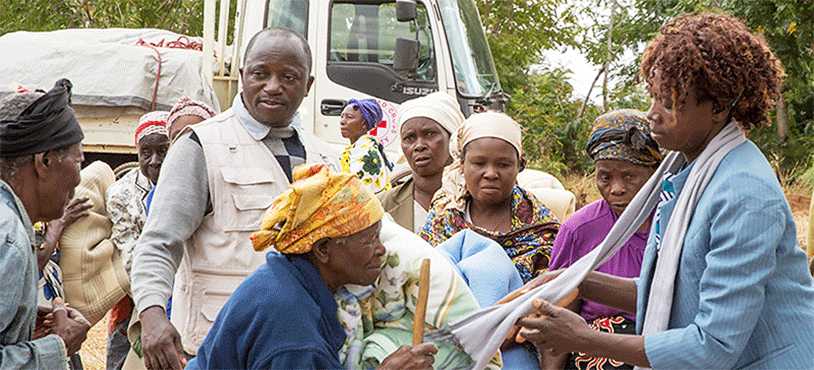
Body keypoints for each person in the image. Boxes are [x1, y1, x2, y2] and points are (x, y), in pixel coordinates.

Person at [516, 13, 814, 369]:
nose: (652, 115)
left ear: (719, 107)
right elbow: (670, 294)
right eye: (653, 99)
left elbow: (713, 345)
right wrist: (570, 280)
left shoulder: (743, 196)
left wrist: (584, 339)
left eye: (670, 103)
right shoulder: (684, 172)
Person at [130, 27, 340, 369]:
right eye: (260, 74)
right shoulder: (201, 146)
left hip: (300, 350)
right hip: (219, 348)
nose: (273, 86)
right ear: (242, 76)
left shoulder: (325, 157)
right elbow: (158, 242)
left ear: (309, 85)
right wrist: (152, 315)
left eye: (288, 76)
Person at [185, 163, 439, 369]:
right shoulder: (293, 332)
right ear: (323, 249)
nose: (381, 250)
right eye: (369, 240)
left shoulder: (284, 277)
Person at [546, 109, 662, 370]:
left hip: (660, 350)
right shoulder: (579, 230)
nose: (616, 188)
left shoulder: (676, 223)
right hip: (592, 354)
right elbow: (561, 310)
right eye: (605, 177)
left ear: (655, 173)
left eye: (629, 176)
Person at [0, 78, 92, 368]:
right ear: (45, 161)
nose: (78, 179)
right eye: (79, 161)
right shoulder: (9, 238)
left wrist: (22, 325)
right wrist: (57, 347)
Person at [419, 111, 559, 284]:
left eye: (503, 165)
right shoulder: (443, 219)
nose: (491, 174)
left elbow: (553, 294)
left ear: (520, 166)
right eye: (479, 163)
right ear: (462, 164)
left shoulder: (541, 229)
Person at [106, 111, 170, 370]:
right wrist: (157, 305)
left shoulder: (191, 183)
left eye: (163, 151)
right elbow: (131, 257)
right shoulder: (122, 193)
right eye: (146, 153)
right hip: (136, 297)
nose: (154, 161)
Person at [377, 91, 465, 232]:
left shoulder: (477, 200)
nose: (419, 146)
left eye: (430, 134)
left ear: (452, 139)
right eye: (409, 138)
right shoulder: (382, 207)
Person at [339, 98, 392, 194]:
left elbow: (355, 195)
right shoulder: (362, 147)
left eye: (349, 117)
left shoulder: (366, 155)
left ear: (364, 123)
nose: (342, 121)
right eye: (342, 116)